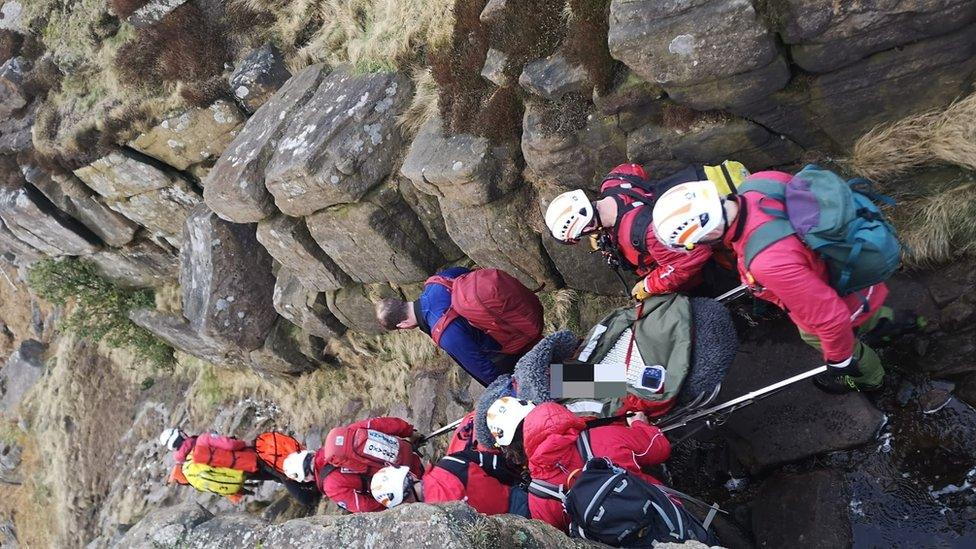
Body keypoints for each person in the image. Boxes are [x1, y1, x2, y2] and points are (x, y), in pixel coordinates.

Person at [651, 174, 907, 392]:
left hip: (841, 296)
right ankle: (892, 324)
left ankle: (871, 380)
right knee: (867, 315)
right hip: (849, 267)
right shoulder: (757, 182)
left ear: (711, 232)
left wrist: (839, 360)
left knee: (843, 347)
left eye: (698, 242)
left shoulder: (767, 262)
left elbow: (830, 318)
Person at [485, 397, 671, 531]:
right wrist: (640, 425)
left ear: (511, 451)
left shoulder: (539, 499)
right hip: (668, 516)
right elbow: (660, 449)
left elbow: (560, 538)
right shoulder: (601, 436)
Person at [544, 163, 715, 300]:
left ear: (587, 227)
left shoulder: (644, 233)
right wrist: (598, 231)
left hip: (703, 266)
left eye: (583, 234)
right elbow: (635, 168)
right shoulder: (614, 180)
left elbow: (691, 259)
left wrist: (649, 285)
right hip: (696, 196)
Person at [374, 266, 543, 386]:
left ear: (402, 324)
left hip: (511, 348)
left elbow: (485, 370)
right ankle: (567, 366)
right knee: (553, 354)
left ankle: (567, 397)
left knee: (551, 375)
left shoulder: (444, 332)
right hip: (517, 315)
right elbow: (469, 274)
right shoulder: (438, 281)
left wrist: (509, 394)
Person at [282, 416, 426, 513]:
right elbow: (380, 424)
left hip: (406, 488)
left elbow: (363, 507)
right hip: (410, 457)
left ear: (306, 478)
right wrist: (409, 431)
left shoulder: (331, 486)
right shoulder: (342, 437)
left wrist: (392, 505)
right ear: (310, 453)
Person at [369, 447, 529, 516]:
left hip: (507, 533)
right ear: (410, 474)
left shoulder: (434, 524)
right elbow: (495, 464)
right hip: (519, 499)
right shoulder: (451, 462)